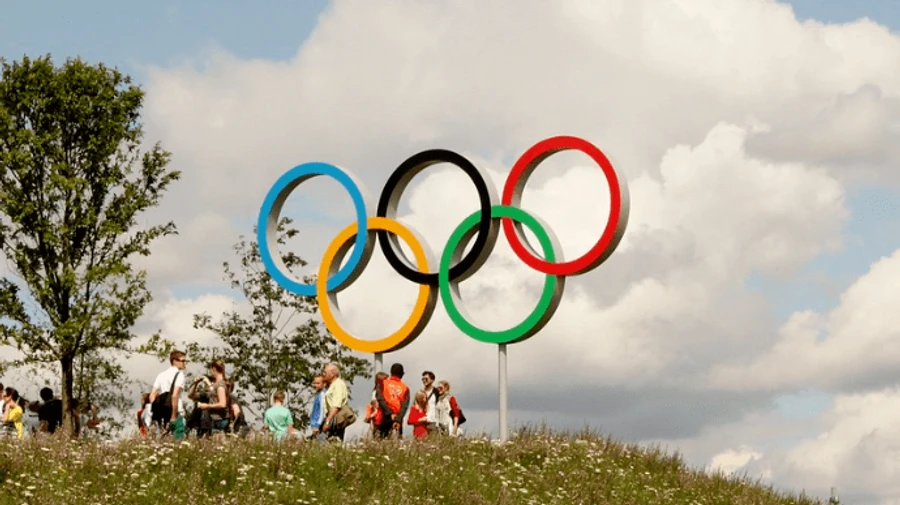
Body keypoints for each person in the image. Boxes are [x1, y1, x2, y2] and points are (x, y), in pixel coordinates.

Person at [149, 350, 188, 440]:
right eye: (183, 361)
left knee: (164, 441)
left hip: (163, 413)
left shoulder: (161, 375)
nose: (184, 363)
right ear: (174, 361)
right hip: (176, 412)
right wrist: (173, 416)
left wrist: (157, 410)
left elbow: (152, 395)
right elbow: (175, 395)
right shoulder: (179, 375)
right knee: (178, 442)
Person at [196, 360, 230, 437]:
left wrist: (207, 406)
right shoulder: (222, 383)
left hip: (219, 419)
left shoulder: (220, 385)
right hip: (218, 419)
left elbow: (222, 404)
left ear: (214, 369)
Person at [376, 363, 410, 439]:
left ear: (391, 372)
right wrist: (398, 419)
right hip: (398, 419)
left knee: (381, 443)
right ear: (402, 374)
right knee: (396, 445)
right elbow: (404, 406)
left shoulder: (382, 383)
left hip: (383, 417)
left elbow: (380, 398)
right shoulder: (406, 388)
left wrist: (389, 413)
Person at [321, 363, 349, 441]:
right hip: (332, 418)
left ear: (332, 374)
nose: (323, 374)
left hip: (335, 419)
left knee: (333, 442)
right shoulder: (332, 385)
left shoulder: (338, 384)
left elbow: (336, 406)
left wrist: (327, 422)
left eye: (325, 372)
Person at [308, 374, 327, 440]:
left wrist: (318, 425)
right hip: (314, 424)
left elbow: (322, 411)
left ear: (324, 384)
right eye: (315, 383)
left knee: (320, 443)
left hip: (318, 425)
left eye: (318, 383)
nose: (316, 385)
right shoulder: (318, 395)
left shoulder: (322, 395)